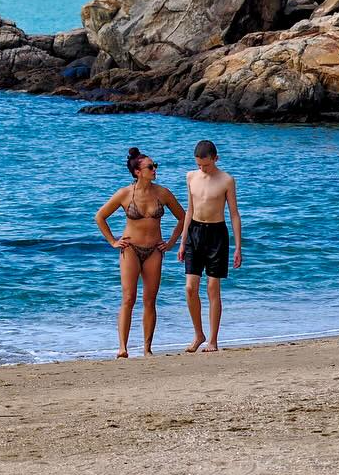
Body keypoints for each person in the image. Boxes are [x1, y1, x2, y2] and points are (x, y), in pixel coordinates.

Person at [95, 147, 186, 358]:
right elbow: (100, 216)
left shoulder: (162, 192)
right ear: (138, 171)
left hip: (154, 250)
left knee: (150, 300)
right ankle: (123, 348)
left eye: (155, 166)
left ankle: (147, 348)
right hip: (131, 249)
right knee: (128, 298)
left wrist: (172, 241)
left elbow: (183, 217)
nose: (155, 170)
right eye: (150, 167)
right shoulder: (125, 193)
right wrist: (112, 241)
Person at [179, 139, 242, 352]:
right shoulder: (191, 177)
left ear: (216, 158)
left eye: (206, 165)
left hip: (217, 234)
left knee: (213, 288)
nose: (202, 169)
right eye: (199, 165)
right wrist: (182, 240)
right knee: (190, 288)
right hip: (194, 232)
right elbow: (189, 209)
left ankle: (213, 340)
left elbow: (234, 214)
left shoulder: (226, 180)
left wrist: (238, 247)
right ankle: (198, 334)